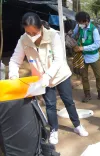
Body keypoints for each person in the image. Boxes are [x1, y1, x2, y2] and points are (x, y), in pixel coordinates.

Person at [9, 12, 89, 145]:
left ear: (40, 27)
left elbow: (58, 60)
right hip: (42, 78)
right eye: (28, 33)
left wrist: (48, 76)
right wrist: (13, 75)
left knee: (68, 101)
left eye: (34, 33)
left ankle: (77, 125)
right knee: (50, 105)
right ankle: (54, 130)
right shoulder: (23, 40)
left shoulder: (53, 35)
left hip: (60, 75)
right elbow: (15, 60)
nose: (32, 36)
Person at [72, 11, 100, 102]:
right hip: (82, 56)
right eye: (78, 22)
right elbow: (73, 34)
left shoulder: (94, 30)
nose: (79, 24)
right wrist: (70, 35)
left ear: (86, 21)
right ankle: (87, 94)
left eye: (81, 22)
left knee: (98, 76)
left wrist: (83, 48)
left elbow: (97, 44)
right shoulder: (79, 26)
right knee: (84, 77)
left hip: (93, 56)